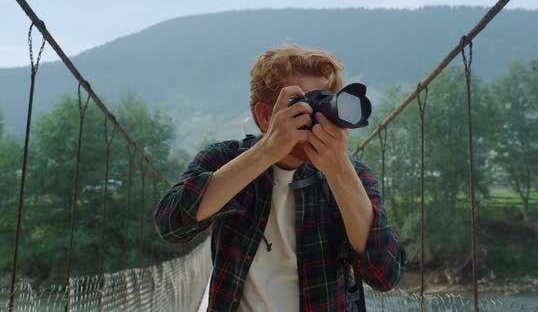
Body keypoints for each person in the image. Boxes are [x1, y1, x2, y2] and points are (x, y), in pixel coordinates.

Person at [154, 45, 406, 312]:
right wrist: (265, 152)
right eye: (305, 104)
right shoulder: (224, 160)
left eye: (327, 102)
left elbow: (385, 275)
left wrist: (339, 169)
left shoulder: (353, 175)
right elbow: (171, 225)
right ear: (265, 116)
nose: (319, 118)